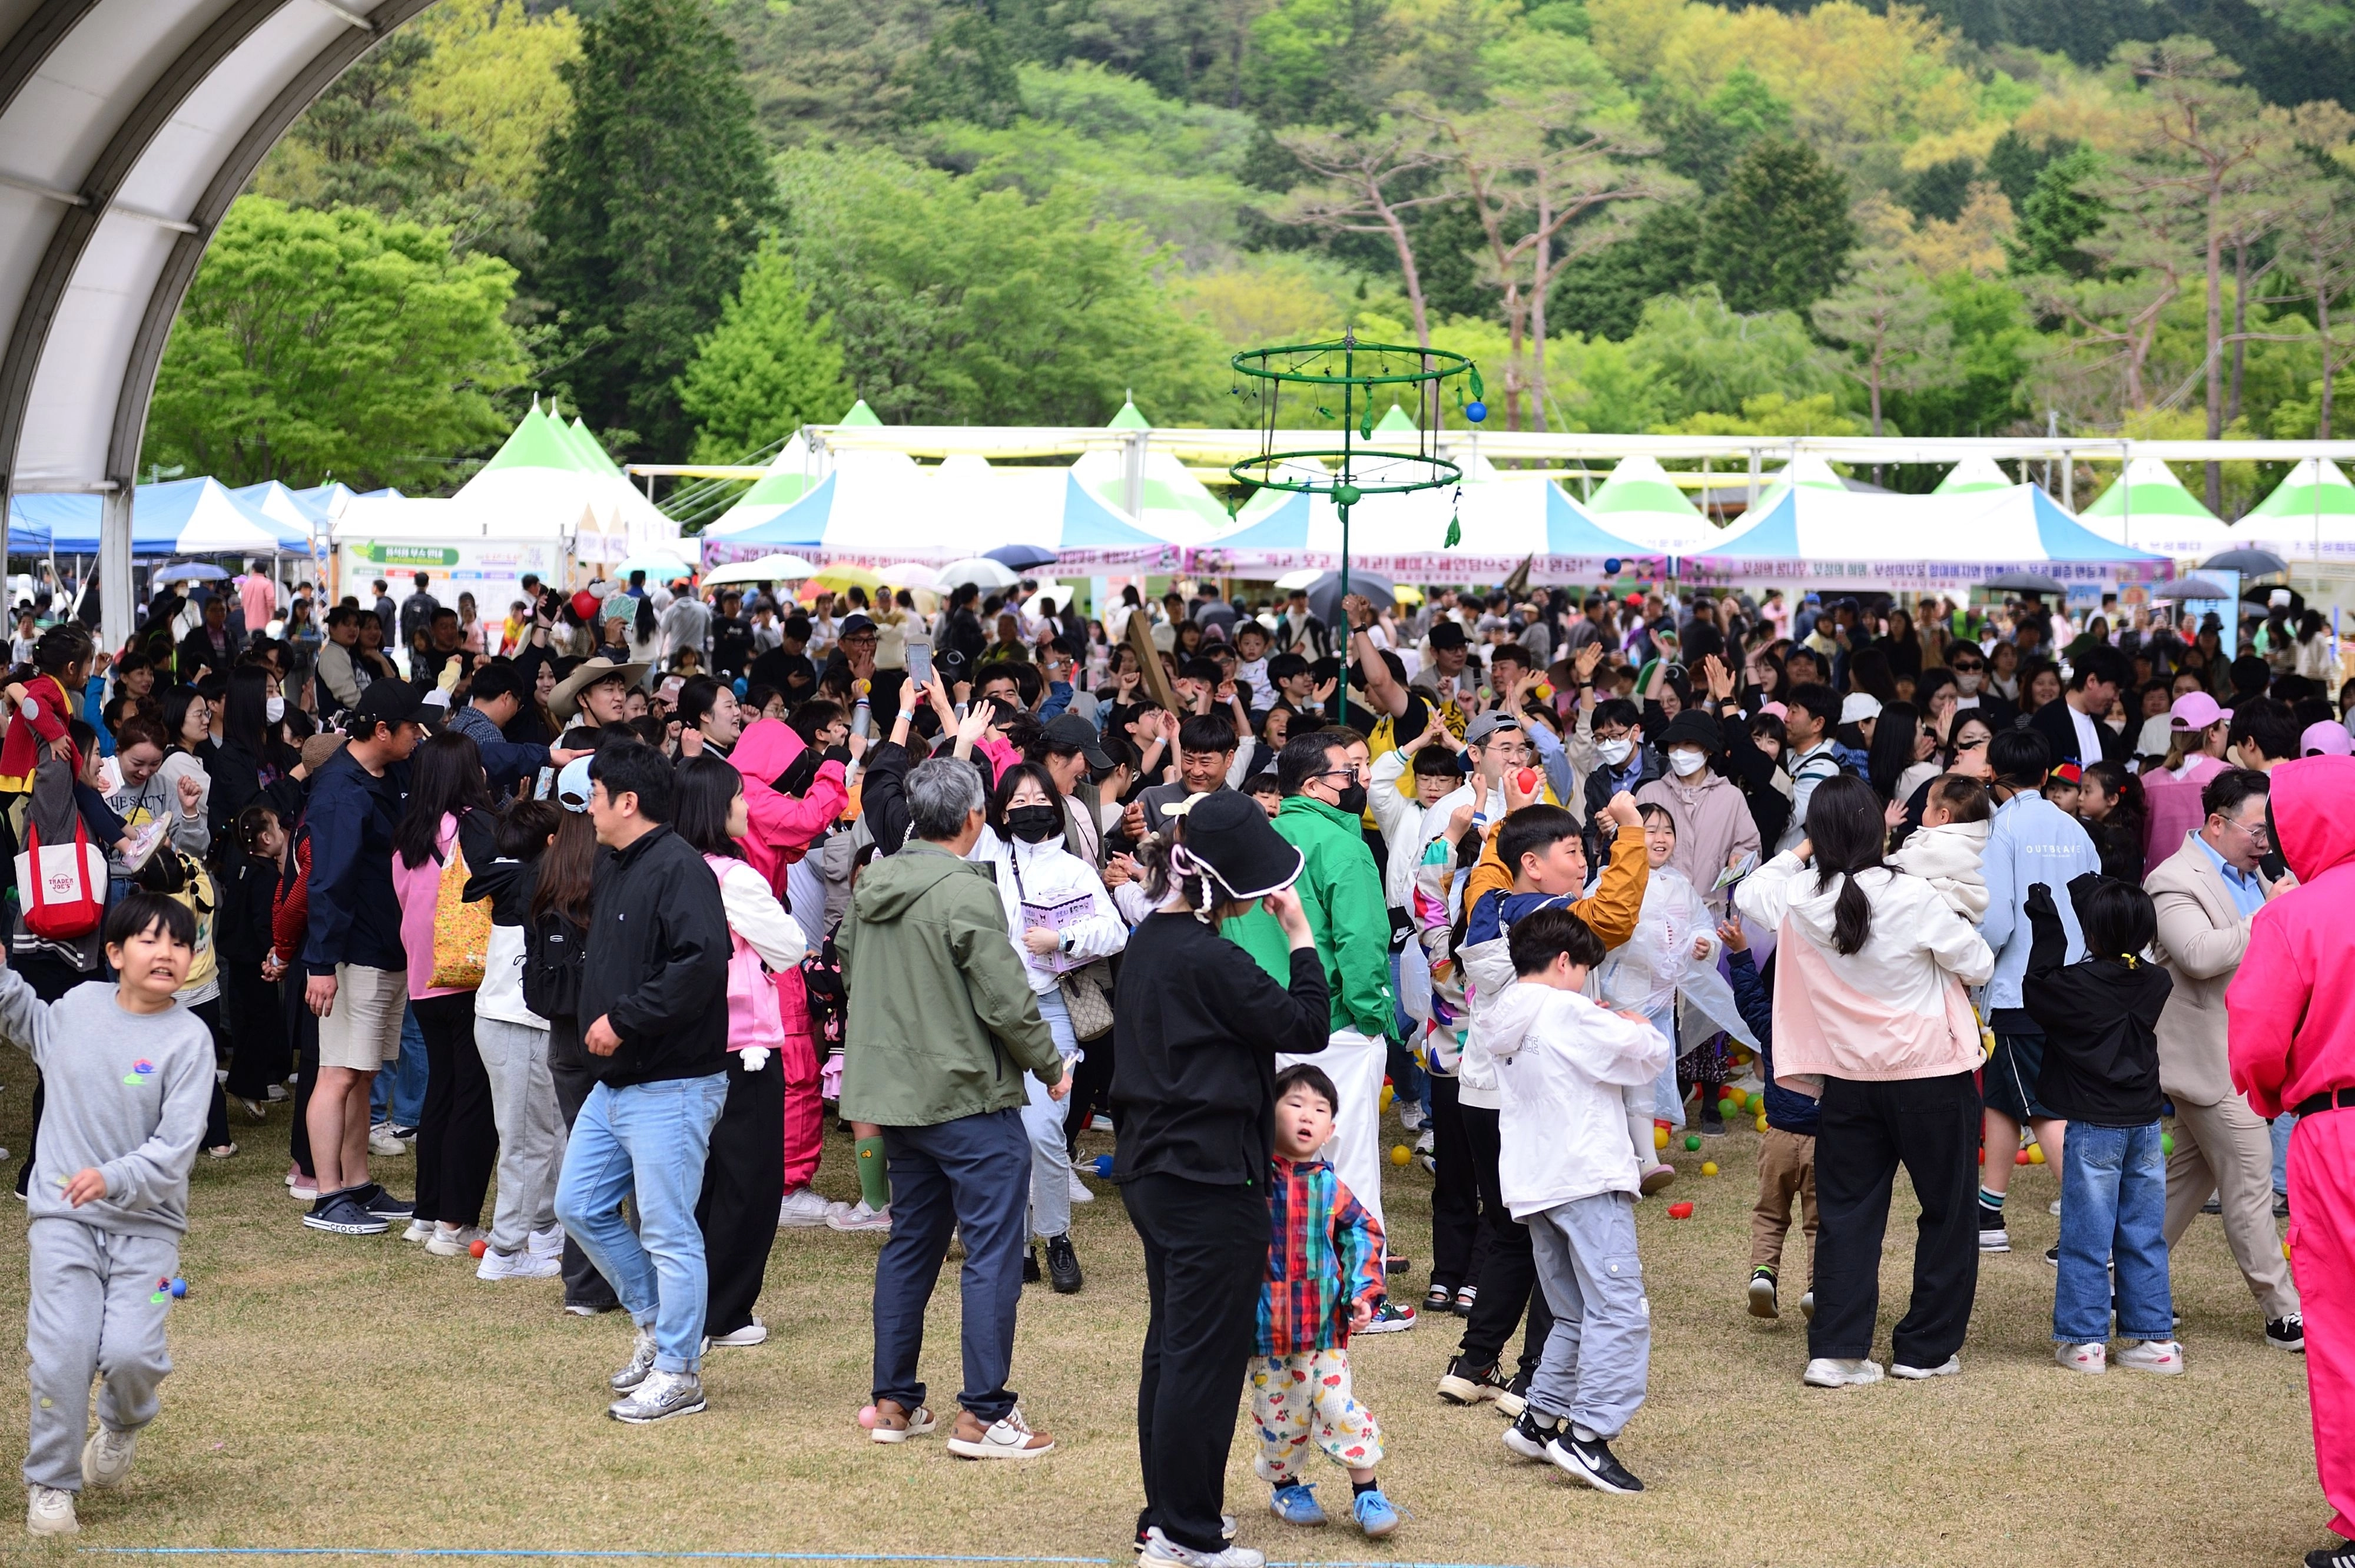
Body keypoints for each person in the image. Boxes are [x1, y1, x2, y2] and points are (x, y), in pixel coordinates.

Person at [1114, 789, 1328, 1568]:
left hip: (1155, 1170)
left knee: (1172, 1349)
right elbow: (1305, 1024)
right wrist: (1300, 937)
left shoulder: (1151, 938)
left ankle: (1163, 1518)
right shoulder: (1209, 955)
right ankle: (1187, 1532)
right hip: (1207, 1180)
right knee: (1198, 1361)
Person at [837, 757, 1066, 1459]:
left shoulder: (874, 881)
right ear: (975, 817)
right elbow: (1005, 997)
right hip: (966, 1095)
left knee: (911, 1244)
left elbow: (849, 960)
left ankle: (894, 1400)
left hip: (900, 1096)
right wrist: (1049, 1065)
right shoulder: (963, 891)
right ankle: (983, 1412)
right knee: (991, 1252)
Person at [1734, 775, 1995, 1388]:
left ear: (1818, 834)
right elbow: (1978, 961)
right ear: (1879, 828)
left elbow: (1750, 889)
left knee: (1847, 1216)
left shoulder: (1800, 895)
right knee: (1947, 1213)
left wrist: (1802, 850)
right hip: (1932, 1073)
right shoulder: (1913, 893)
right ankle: (1925, 1348)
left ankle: (1837, 1350)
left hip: (1847, 1081)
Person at [4, 892, 213, 1538]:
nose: (166, 953)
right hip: (63, 1218)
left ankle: (122, 1423)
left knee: (130, 1353)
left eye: (179, 943)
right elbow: (28, 1022)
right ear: (115, 954)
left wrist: (115, 1177)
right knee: (62, 1350)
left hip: (148, 1229)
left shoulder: (190, 1039)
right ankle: (51, 1484)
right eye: (149, 940)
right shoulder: (77, 1008)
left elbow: (175, 1149)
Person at [552, 741, 733, 1424]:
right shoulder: (613, 860)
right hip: (617, 1081)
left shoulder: (681, 869)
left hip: (675, 1082)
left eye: (594, 793)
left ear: (627, 801)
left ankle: (681, 1370)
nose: (587, 806)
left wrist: (623, 1020)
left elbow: (700, 962)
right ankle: (659, 1325)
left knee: (669, 1229)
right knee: (579, 1204)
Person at [1485, 906, 1669, 1494]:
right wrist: (1632, 1020)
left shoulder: (1503, 1011)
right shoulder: (1566, 1008)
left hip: (1535, 1180)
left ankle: (1539, 1419)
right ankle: (1587, 1434)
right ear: (1565, 962)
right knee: (1618, 1306)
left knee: (1571, 1309)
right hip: (1586, 1174)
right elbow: (1648, 1051)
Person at [2224, 757, 2355, 1568]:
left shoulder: (2295, 916)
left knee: (2342, 1329)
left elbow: (2260, 1038)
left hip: (2335, 1127)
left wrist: (2277, 1098)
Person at [1226, 731, 1407, 1319]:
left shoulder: (1259, 842)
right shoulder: (1342, 846)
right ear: (1313, 785)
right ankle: (1361, 1296)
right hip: (1334, 1026)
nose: (1355, 782)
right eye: (1346, 774)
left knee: (1275, 1161)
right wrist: (1374, 1015)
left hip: (1264, 1024)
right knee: (1347, 1158)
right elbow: (1361, 943)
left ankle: (1276, 1287)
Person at [2146, 767, 2304, 1349]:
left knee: (2184, 1181)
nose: (2265, 843)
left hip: (2243, 1056)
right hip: (2205, 1061)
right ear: (2216, 823)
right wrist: (2269, 914)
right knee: (2249, 1178)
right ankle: (2282, 1310)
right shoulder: (2171, 879)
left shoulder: (2254, 874)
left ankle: (2121, 1279)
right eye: (2256, 830)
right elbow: (2198, 954)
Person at [969, 762, 1125, 1294]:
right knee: (1002, 1134)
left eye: (1039, 797)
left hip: (1051, 1007)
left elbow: (1114, 930)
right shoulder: (985, 854)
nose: (1029, 807)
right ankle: (1015, 1244)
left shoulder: (1074, 869)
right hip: (989, 1013)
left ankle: (1056, 1235)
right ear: (1001, 811)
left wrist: (1062, 940)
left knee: (1042, 1128)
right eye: (1017, 800)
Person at [671, 754, 807, 1350]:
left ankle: (686, 1306)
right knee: (746, 1182)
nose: (747, 807)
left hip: (678, 1043)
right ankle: (722, 1311)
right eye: (738, 798)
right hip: (743, 1043)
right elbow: (790, 945)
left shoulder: (665, 867)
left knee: (689, 1182)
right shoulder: (734, 876)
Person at [2022, 877, 2180, 1374]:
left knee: (2087, 1234)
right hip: (2145, 1124)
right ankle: (2155, 1340)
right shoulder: (2156, 981)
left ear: (2092, 933)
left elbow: (2038, 987)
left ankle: (2086, 1340)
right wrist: (2091, 904)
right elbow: (2113, 952)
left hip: (2094, 1124)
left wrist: (2047, 924)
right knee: (2142, 1232)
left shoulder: (2078, 986)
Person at [300, 681, 430, 1239]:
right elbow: (327, 884)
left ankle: (357, 1181)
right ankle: (327, 1193)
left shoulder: (391, 774)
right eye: (411, 727)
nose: (419, 736)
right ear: (382, 731)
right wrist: (322, 964)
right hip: (349, 954)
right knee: (337, 1072)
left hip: (385, 948)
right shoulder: (339, 791)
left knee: (364, 1071)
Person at [1253, 1063, 1401, 1539]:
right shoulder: (1253, 1178)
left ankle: (1367, 1492)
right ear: (1268, 1112)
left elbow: (1364, 1233)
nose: (1306, 1115)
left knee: (1339, 1405)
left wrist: (1363, 1291)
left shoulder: (1330, 1186)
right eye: (1294, 1104)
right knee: (1280, 1417)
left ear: (1331, 1129)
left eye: (1319, 1109)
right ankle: (1286, 1487)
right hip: (1266, 1329)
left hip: (1325, 1330)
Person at [1974, 730, 2099, 1252]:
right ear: (2046, 776)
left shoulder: (2000, 830)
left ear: (1991, 776)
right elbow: (2097, 904)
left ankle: (2099, 1230)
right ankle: (1987, 1216)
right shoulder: (2074, 828)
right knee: (2005, 1098)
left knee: (2045, 1108)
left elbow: (1997, 921)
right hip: (2075, 984)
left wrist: (1971, 959)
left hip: (2020, 988)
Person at [390, 731, 499, 1257]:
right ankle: (455, 1223)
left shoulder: (409, 833)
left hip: (424, 979)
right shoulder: (475, 825)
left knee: (440, 1093)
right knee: (473, 1099)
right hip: (470, 976)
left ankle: (426, 1212)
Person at [461, 800, 566, 1282]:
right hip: (516, 1024)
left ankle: (544, 1228)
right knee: (527, 1141)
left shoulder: (510, 876)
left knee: (549, 1134)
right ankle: (505, 1251)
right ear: (550, 842)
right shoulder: (535, 885)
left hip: (517, 1024)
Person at [1722, 916, 1816, 1322]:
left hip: (1777, 1135)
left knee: (1770, 1212)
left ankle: (1764, 1272)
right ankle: (1818, 1285)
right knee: (1821, 1222)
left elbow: (1751, 1000)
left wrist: (1741, 952)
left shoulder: (1774, 1026)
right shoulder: (1839, 1033)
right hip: (1824, 1141)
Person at [2028, 645, 2130, 770]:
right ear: (2092, 681)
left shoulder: (2103, 730)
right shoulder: (2046, 722)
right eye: (2115, 690)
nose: (2116, 698)